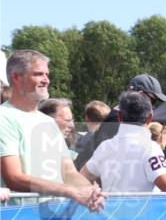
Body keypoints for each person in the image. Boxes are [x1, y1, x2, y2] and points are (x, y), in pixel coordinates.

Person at [0, 50, 103, 211]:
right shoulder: (4, 117)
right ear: (16, 77)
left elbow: (68, 172)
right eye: (39, 74)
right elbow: (14, 178)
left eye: (47, 74)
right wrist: (68, 191)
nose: (46, 80)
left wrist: (90, 191)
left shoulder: (48, 122)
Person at [73, 73, 166, 169]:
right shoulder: (117, 121)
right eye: (152, 101)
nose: (153, 106)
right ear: (138, 94)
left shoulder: (120, 118)